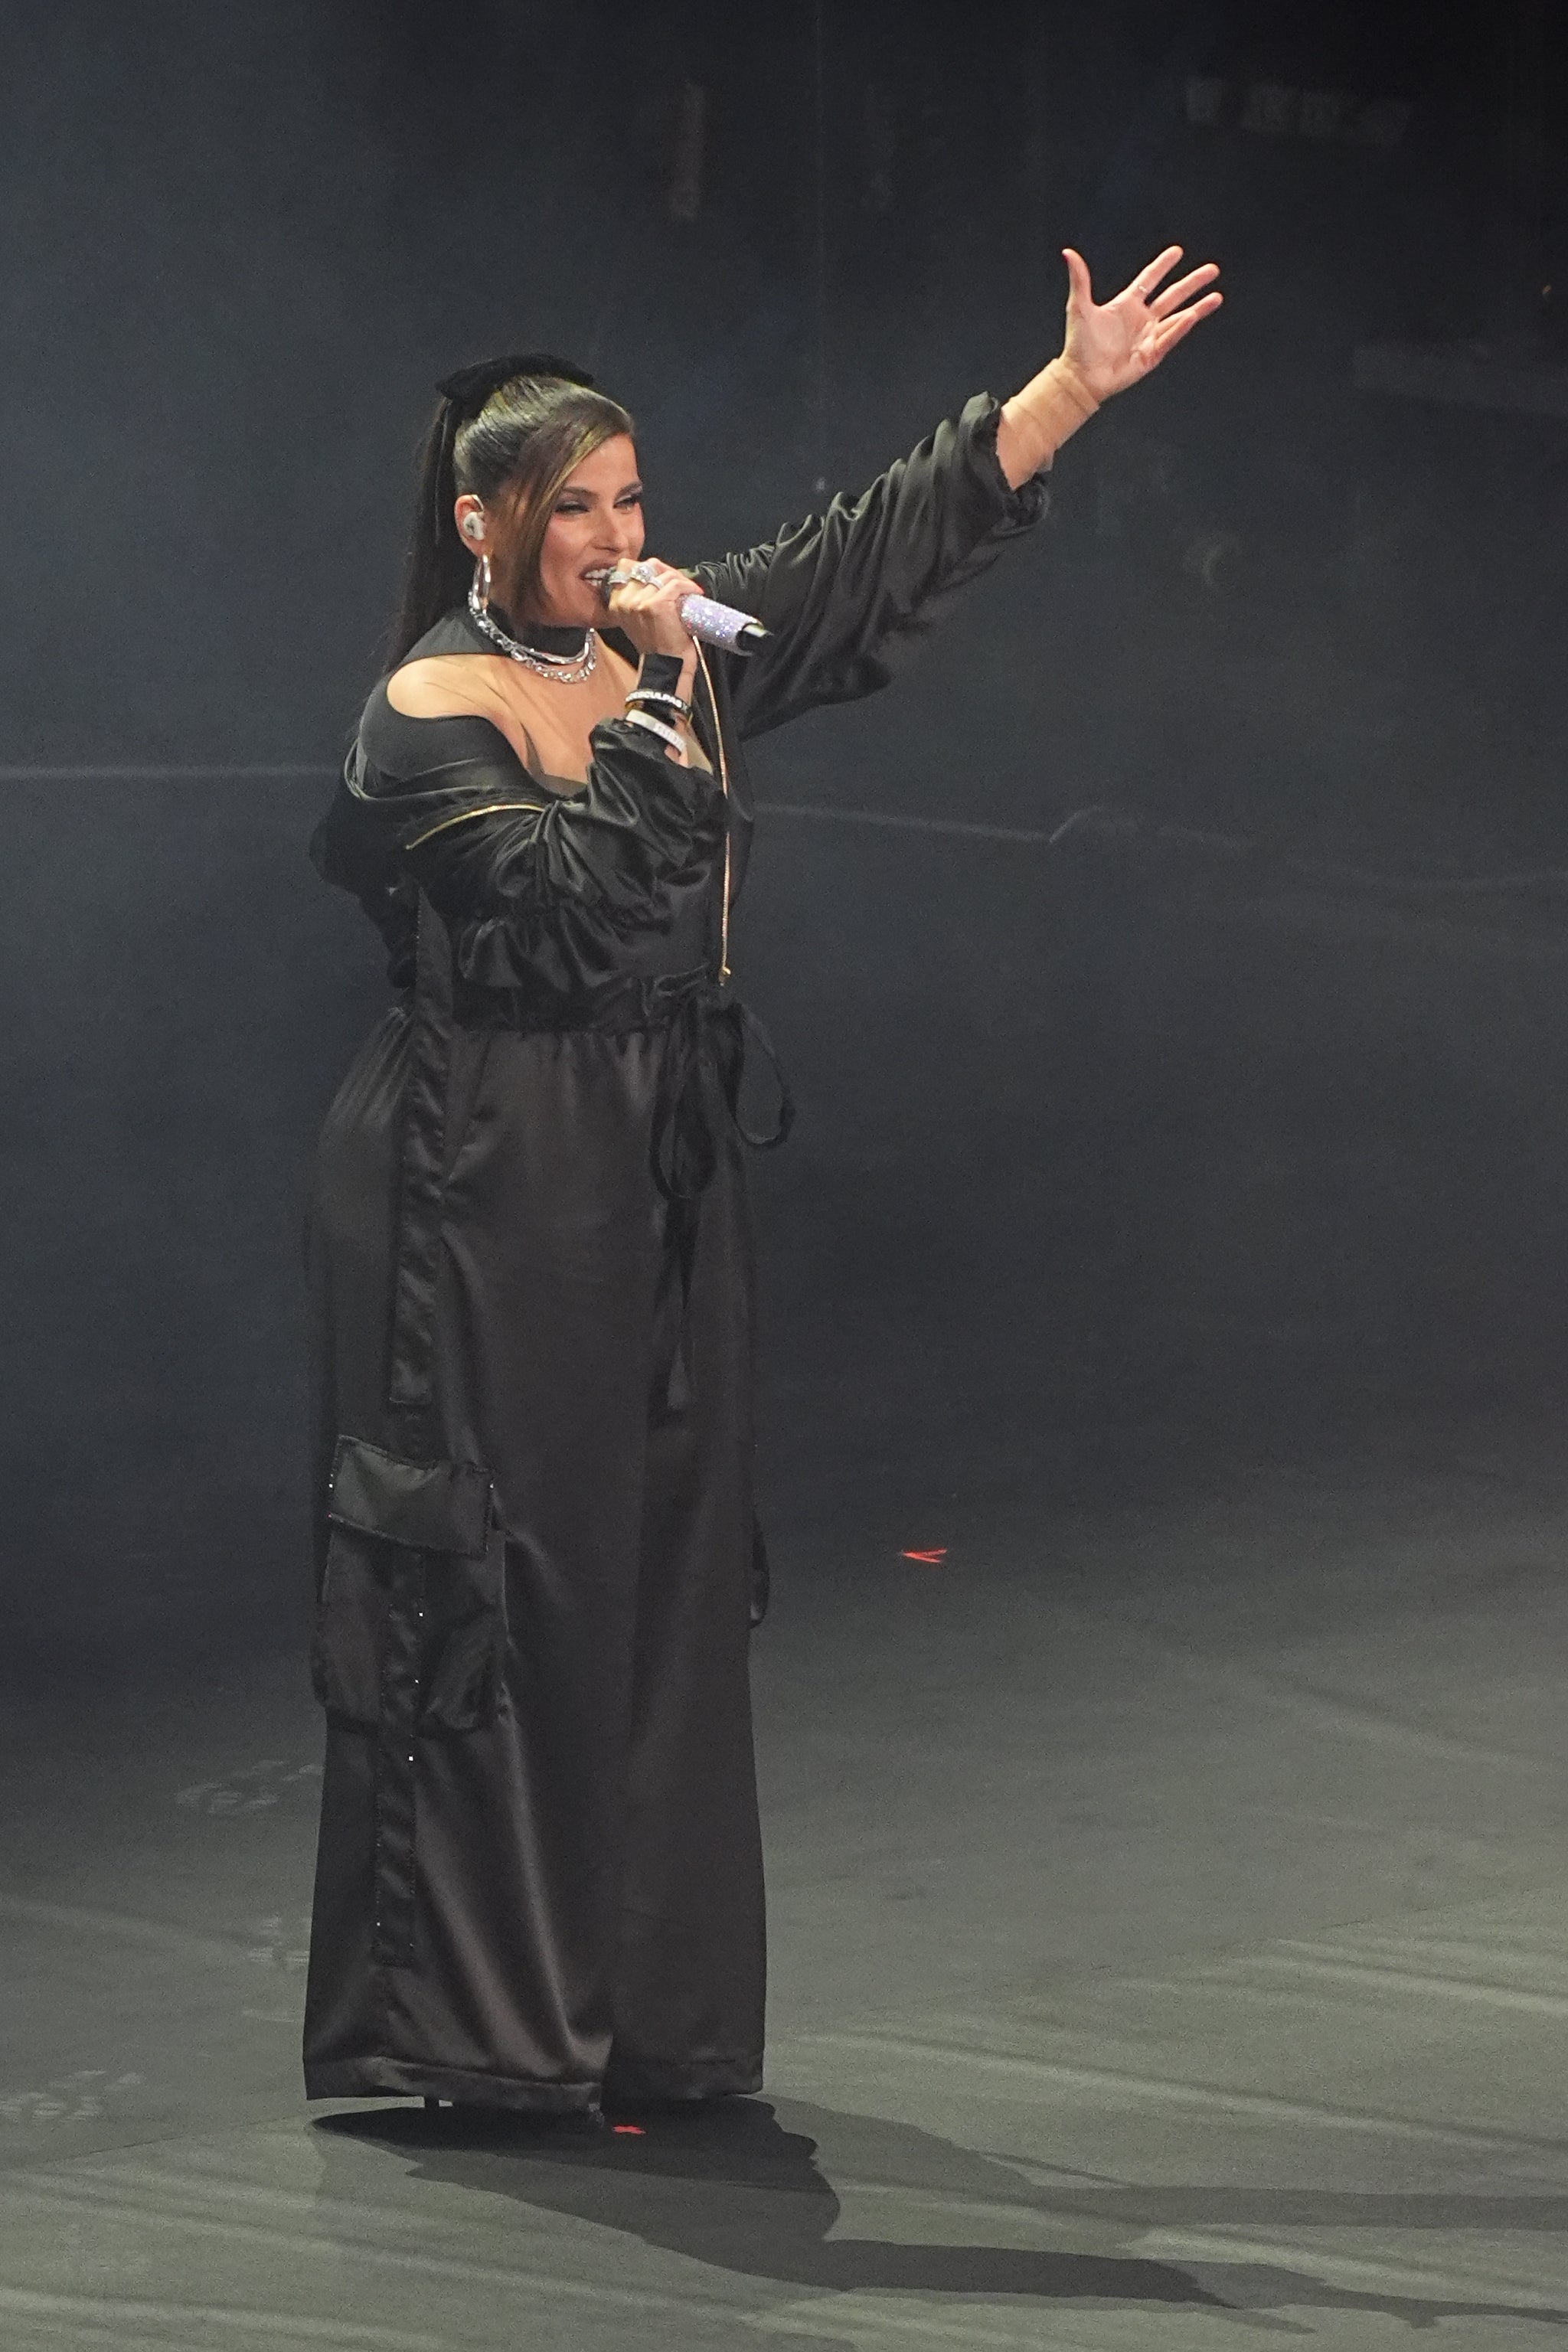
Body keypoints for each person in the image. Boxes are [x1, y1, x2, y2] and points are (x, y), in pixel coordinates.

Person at [302, 243, 1222, 2116]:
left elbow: (864, 557)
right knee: (509, 1570)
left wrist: (1066, 394)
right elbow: (568, 907)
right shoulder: (427, 713)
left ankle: (653, 2012)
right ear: (483, 523)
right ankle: (480, 2026)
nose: (621, 537)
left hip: (658, 1149)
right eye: (576, 509)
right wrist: (657, 692)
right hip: (483, 1165)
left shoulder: (672, 643)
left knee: (664, 1566)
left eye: (632, 501)